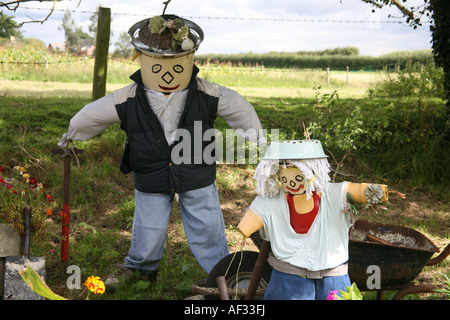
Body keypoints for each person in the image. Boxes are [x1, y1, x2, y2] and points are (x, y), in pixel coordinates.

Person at [58, 14, 265, 289]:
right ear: (142, 60)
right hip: (150, 170)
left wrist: (259, 141)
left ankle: (220, 273)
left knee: (206, 224)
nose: (167, 75)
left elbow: (241, 109)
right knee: (149, 224)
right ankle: (141, 268)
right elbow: (92, 115)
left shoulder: (209, 93)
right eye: (157, 68)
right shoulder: (127, 98)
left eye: (177, 67)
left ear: (190, 59)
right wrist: (72, 135)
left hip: (196, 170)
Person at [237, 139, 388, 299]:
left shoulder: (335, 194)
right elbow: (247, 224)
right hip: (288, 280)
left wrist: (374, 192)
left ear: (314, 169)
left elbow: (371, 192)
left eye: (298, 176)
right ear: (277, 172)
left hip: (332, 278)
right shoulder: (270, 201)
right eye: (285, 176)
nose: (292, 184)